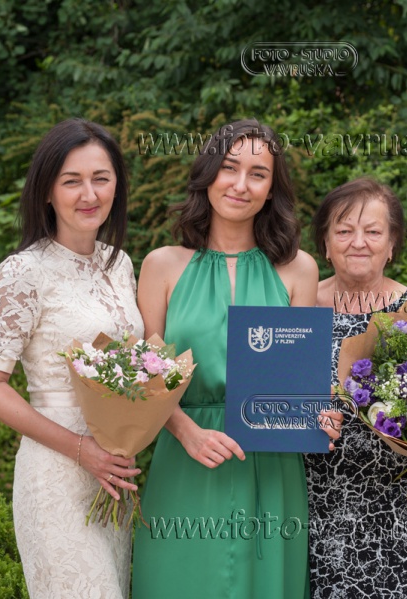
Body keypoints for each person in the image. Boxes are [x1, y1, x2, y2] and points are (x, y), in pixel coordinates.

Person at [131, 119, 339, 598]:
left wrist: (319, 415)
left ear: (272, 190)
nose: (241, 184)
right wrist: (186, 431)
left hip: (270, 463)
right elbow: (146, 375)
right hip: (185, 456)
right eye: (229, 168)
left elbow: (298, 379)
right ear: (208, 174)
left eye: (258, 174)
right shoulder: (161, 265)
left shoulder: (299, 270)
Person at [0, 118, 144, 598]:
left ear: (116, 185)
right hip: (56, 476)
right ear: (47, 190)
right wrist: (81, 449)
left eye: (101, 178)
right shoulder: (23, 272)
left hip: (112, 475)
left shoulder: (120, 265)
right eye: (72, 181)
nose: (89, 194)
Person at [304, 177, 407, 599]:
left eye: (372, 231)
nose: (358, 243)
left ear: (392, 244)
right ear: (325, 244)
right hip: (314, 505)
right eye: (343, 230)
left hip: (404, 507)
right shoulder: (297, 307)